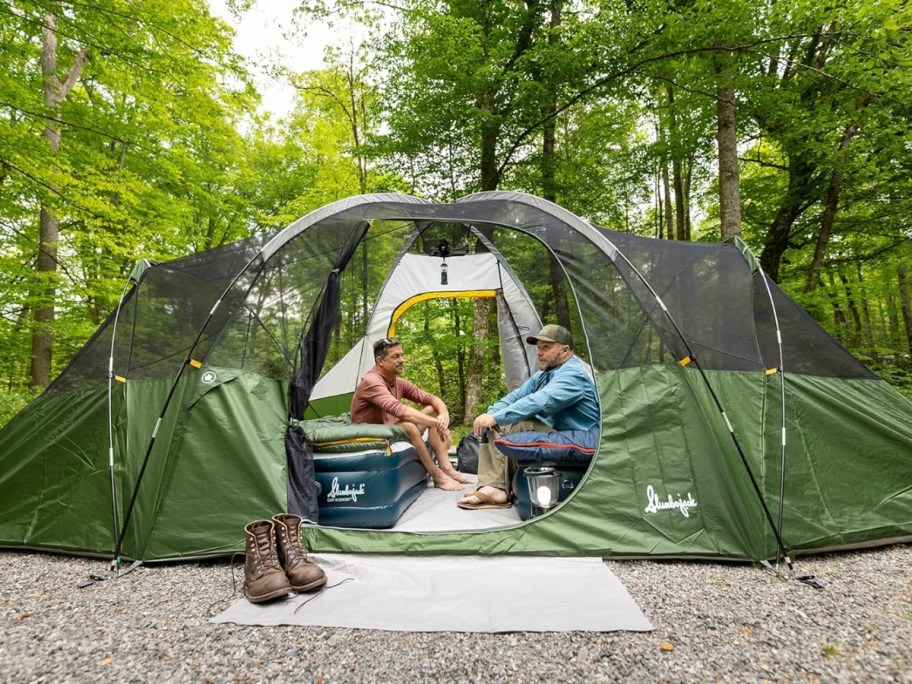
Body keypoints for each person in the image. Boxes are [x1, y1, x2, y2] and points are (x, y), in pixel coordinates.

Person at [458, 324, 599, 509]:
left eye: (546, 347)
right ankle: (494, 485)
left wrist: (496, 418)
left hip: (580, 435)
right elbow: (516, 396)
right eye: (538, 347)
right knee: (501, 420)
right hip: (559, 429)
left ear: (565, 351)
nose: (539, 352)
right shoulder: (545, 374)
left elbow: (540, 400)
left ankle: (495, 489)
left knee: (508, 424)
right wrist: (491, 412)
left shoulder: (573, 374)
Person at [351, 336, 472, 491]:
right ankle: (438, 476)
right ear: (380, 361)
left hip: (390, 428)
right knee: (409, 425)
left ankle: (446, 468)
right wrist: (439, 424)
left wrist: (443, 414)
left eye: (402, 355)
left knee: (433, 409)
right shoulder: (371, 381)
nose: (401, 360)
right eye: (395, 356)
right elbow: (401, 411)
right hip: (370, 431)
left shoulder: (397, 381)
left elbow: (431, 398)